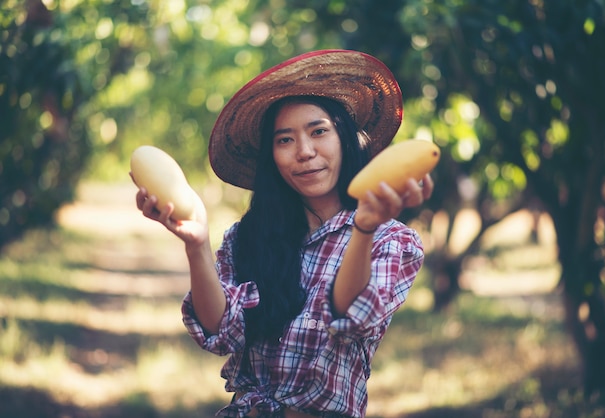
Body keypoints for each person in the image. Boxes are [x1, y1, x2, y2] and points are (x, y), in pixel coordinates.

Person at [135, 49, 434, 418]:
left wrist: (363, 228)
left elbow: (350, 315)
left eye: (318, 131)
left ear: (344, 137)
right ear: (271, 158)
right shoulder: (249, 237)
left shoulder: (392, 241)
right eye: (284, 140)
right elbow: (222, 331)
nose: (304, 152)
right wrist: (196, 244)